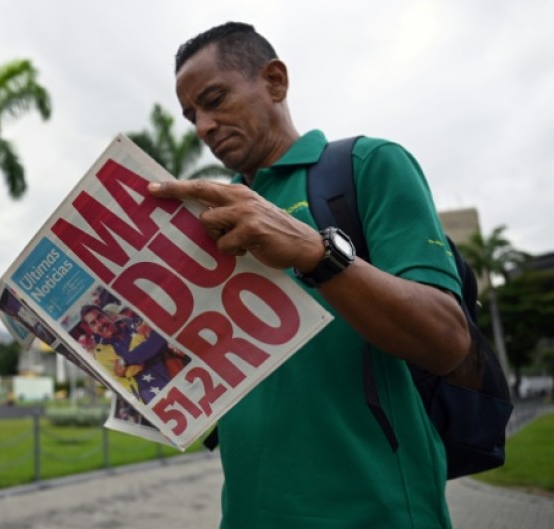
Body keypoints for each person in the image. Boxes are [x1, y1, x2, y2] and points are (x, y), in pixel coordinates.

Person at [146, 22, 470, 528]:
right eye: (192, 115)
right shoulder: (206, 220)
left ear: (275, 81)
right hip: (248, 513)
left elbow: (448, 341)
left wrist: (317, 253)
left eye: (214, 100)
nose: (203, 126)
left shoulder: (367, 166)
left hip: (376, 511)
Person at [80, 304, 172, 404]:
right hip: (149, 393)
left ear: (106, 315)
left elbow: (159, 339)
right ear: (92, 329)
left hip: (172, 372)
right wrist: (144, 346)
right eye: (93, 323)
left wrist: (124, 360)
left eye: (100, 317)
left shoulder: (132, 323)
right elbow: (130, 372)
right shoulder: (101, 353)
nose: (100, 324)